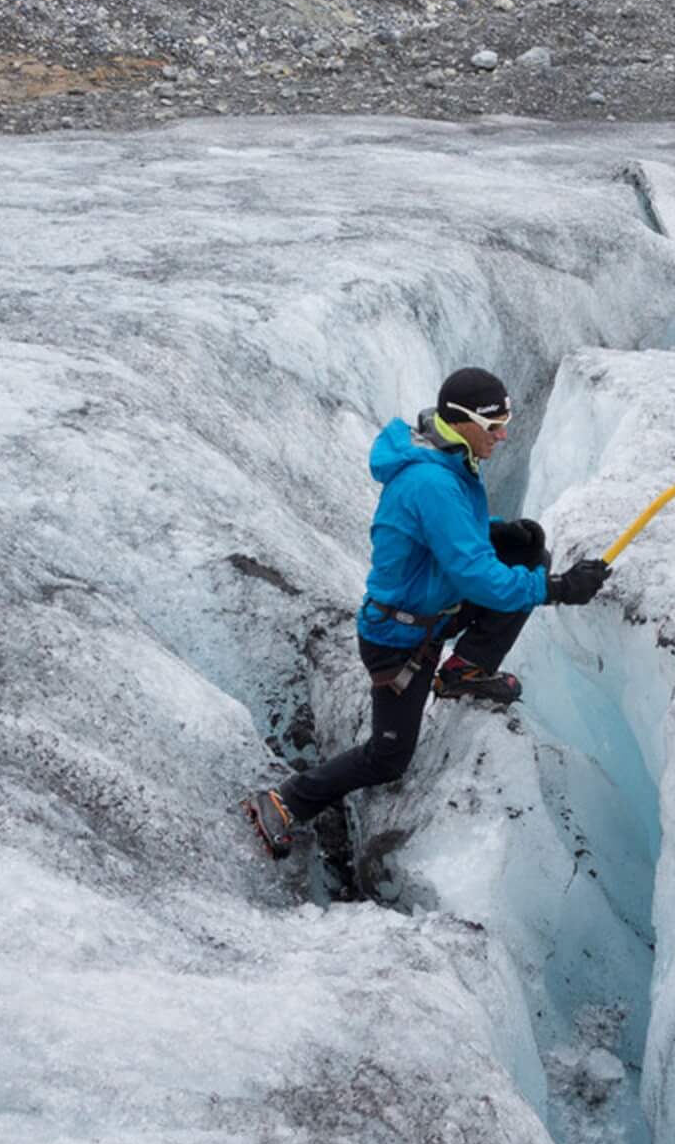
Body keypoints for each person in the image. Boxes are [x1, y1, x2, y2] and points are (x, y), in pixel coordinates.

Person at [242, 366, 612, 864]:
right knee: (389, 757)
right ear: (462, 422)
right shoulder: (431, 482)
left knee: (527, 559)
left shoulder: (446, 458)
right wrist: (559, 589)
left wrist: (497, 532)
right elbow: (477, 577)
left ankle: (464, 672)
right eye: (495, 426)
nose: (504, 436)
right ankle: (285, 802)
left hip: (433, 612)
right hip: (400, 639)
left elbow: (451, 535)